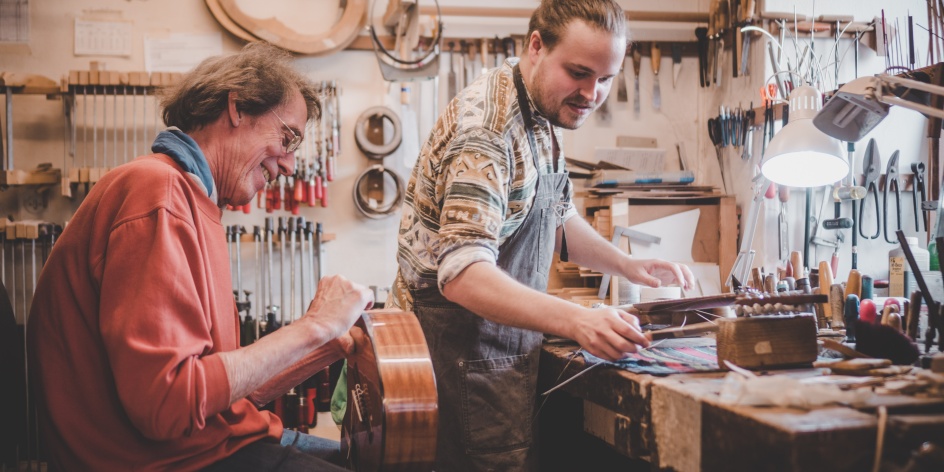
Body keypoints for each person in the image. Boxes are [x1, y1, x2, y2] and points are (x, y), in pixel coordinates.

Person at [27, 42, 373, 471]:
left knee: (384, 460)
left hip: (209, 444)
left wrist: (328, 343)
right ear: (237, 108)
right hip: (164, 461)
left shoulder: (198, 203)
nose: (288, 166)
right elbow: (167, 406)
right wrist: (313, 325)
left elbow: (222, 394)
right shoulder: (158, 192)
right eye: (288, 138)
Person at [387, 1, 695, 470]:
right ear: (536, 46)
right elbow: (463, 274)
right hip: (458, 355)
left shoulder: (542, 108)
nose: (592, 93)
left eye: (606, 79)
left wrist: (627, 265)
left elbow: (556, 215)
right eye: (579, 72)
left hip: (498, 351)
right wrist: (577, 320)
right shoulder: (488, 132)